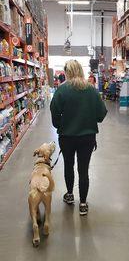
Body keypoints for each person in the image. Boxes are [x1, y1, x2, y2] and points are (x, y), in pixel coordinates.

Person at [50, 60, 107, 216]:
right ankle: (83, 203)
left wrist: (60, 126)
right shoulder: (91, 90)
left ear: (67, 73)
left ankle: (69, 195)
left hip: (67, 137)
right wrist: (89, 119)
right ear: (81, 71)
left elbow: (54, 112)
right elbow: (101, 114)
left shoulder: (61, 90)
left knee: (68, 165)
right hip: (87, 137)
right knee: (84, 170)